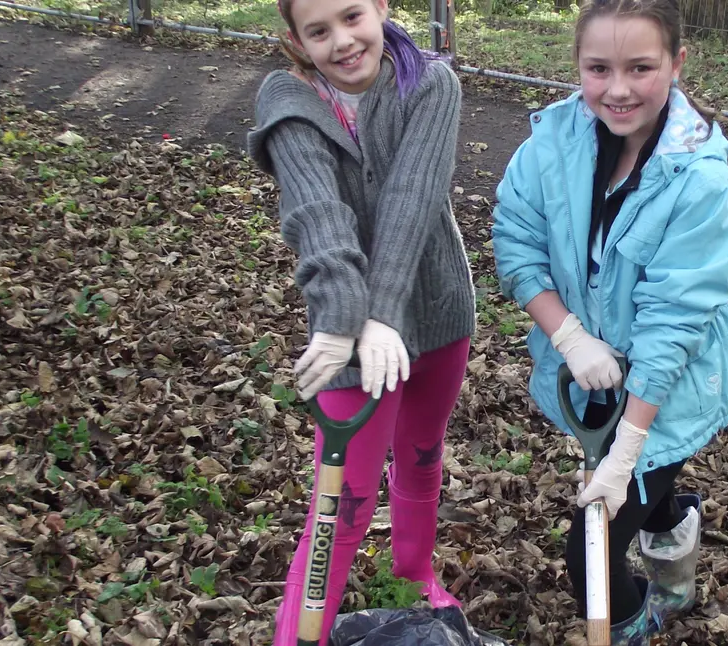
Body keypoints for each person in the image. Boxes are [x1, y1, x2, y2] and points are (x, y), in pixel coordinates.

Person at [490, 0, 728, 640]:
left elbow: (672, 326)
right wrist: (568, 334)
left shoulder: (705, 188)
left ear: (677, 63)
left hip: (666, 392)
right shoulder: (551, 144)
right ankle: (673, 529)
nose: (618, 89)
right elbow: (515, 243)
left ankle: (634, 624)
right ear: (578, 66)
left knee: (591, 556)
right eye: (598, 68)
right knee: (646, 490)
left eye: (641, 67)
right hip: (588, 381)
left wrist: (628, 446)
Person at [244, 0, 475, 640]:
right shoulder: (287, 99)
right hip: (345, 338)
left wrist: (387, 313)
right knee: (341, 501)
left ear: (380, 8)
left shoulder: (429, 83)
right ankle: (300, 632)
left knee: (422, 456)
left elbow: (412, 197)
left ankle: (413, 574)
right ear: (296, 38)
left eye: (352, 17)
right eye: (319, 31)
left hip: (437, 315)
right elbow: (317, 211)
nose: (343, 41)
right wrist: (349, 320)